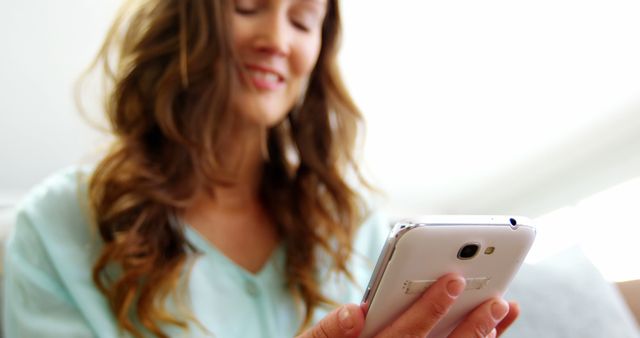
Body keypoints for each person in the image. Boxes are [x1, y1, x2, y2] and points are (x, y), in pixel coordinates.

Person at [3, 0, 520, 337]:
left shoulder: (349, 223)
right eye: (249, 6)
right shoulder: (57, 224)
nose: (277, 38)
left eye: (302, 20)